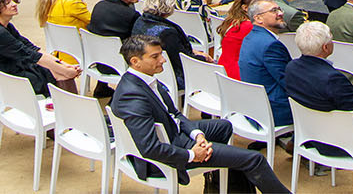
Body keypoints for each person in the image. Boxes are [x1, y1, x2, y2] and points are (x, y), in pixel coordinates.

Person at [110, 34, 292, 193]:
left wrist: (197, 135)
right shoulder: (132, 96)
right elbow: (149, 148)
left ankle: (223, 183)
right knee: (254, 159)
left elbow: (175, 114)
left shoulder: (143, 80)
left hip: (173, 134)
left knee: (224, 126)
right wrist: (192, 154)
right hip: (162, 158)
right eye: (155, 56)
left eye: (161, 54)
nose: (163, 60)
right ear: (135, 61)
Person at [287, 20, 353, 162]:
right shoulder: (332, 79)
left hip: (310, 134)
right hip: (340, 143)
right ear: (326, 47)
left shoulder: (291, 67)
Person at [0, 0, 80, 96]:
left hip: (8, 68)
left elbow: (32, 48)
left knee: (56, 71)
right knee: (57, 73)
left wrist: (64, 64)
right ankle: (67, 105)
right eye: (8, 3)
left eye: (13, 1)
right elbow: (30, 55)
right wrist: (66, 71)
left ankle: (66, 104)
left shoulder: (6, 26)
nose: (14, 4)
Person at [238, 0, 293, 127]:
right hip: (273, 111)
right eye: (274, 11)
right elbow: (288, 82)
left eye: (279, 9)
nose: (280, 13)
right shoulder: (271, 45)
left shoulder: (250, 37)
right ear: (258, 18)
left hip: (254, 107)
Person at [132, 0, 197, 88]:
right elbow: (181, 60)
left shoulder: (140, 21)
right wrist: (202, 58)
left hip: (144, 69)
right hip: (166, 75)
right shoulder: (167, 33)